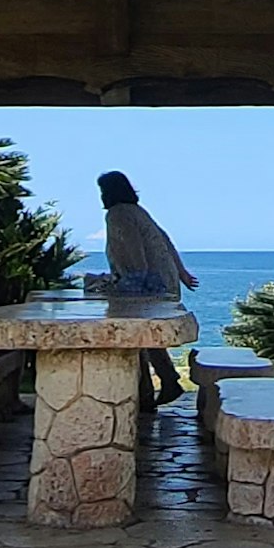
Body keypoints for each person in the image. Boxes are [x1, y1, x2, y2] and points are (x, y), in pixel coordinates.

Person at [98, 170, 197, 404]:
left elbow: (133, 254)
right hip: (165, 281)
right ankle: (166, 380)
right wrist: (181, 273)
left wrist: (128, 282)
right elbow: (165, 240)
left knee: (137, 335)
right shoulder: (138, 212)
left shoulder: (118, 213)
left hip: (149, 285)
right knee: (146, 336)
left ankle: (145, 393)